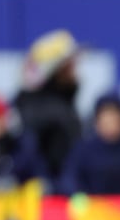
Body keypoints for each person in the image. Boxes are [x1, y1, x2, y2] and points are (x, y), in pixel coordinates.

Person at [15, 29, 83, 181]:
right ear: (57, 71)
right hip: (52, 193)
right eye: (69, 65)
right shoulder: (49, 112)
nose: (75, 70)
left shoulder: (59, 105)